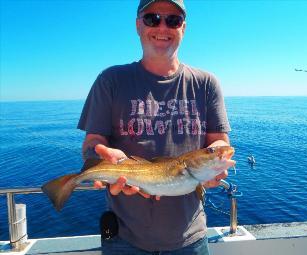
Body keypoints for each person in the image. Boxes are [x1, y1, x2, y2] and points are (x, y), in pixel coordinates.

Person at [77, 0, 235, 254]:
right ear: (138, 25)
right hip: (124, 240)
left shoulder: (206, 84)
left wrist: (215, 157)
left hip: (191, 239)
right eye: (152, 18)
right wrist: (101, 155)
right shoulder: (110, 80)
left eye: (173, 20)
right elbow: (91, 143)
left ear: (183, 27)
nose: (163, 26)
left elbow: (220, 142)